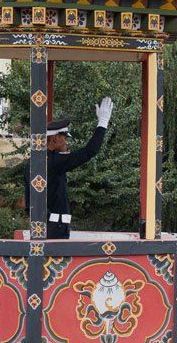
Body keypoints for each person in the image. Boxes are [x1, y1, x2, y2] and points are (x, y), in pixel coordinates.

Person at [26, 97, 113, 239]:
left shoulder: (37, 160)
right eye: (65, 138)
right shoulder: (53, 161)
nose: (67, 142)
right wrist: (102, 123)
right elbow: (89, 151)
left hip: (44, 227)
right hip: (55, 228)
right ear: (54, 139)